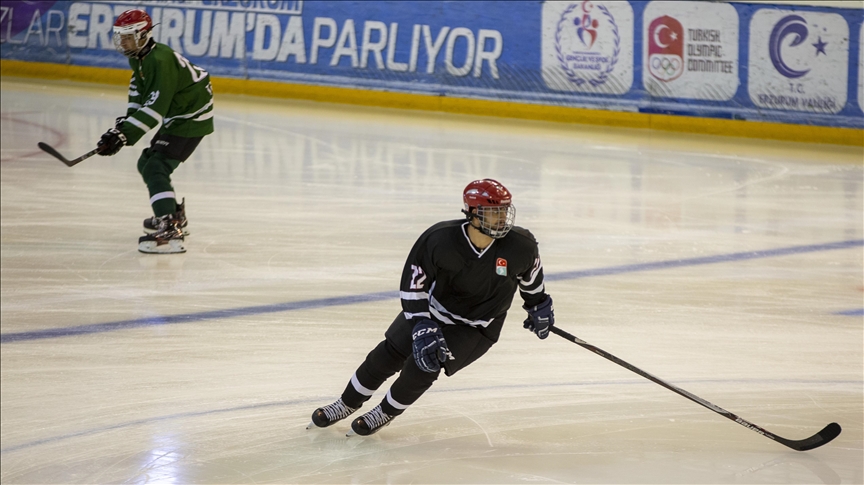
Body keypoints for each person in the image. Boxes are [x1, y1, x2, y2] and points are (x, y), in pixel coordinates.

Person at [307, 178, 555, 436]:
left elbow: (531, 280)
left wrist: (539, 307)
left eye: (504, 211)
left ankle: (384, 413)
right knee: (388, 353)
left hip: (476, 327)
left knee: (425, 365)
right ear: (472, 213)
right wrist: (422, 323)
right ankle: (345, 404)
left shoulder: (521, 246)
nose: (502, 218)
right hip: (433, 312)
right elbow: (413, 286)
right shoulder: (439, 240)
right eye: (493, 212)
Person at [96, 8, 214, 254]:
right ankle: (172, 215)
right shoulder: (139, 56)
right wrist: (123, 127)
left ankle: (170, 228)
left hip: (191, 117)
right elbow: (139, 91)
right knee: (146, 162)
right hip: (179, 115)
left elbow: (155, 108)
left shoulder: (160, 60)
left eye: (128, 35)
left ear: (144, 34)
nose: (123, 41)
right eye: (120, 36)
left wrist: (125, 135)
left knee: (155, 166)